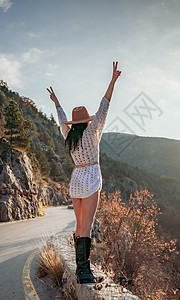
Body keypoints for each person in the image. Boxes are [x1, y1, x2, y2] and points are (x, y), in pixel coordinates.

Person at [47, 62, 121, 284]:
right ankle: (84, 272)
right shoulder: (93, 131)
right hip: (90, 179)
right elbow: (105, 105)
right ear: (87, 121)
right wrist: (112, 81)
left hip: (76, 181)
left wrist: (56, 102)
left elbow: (61, 119)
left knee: (79, 226)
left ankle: (81, 269)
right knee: (87, 226)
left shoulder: (69, 137)